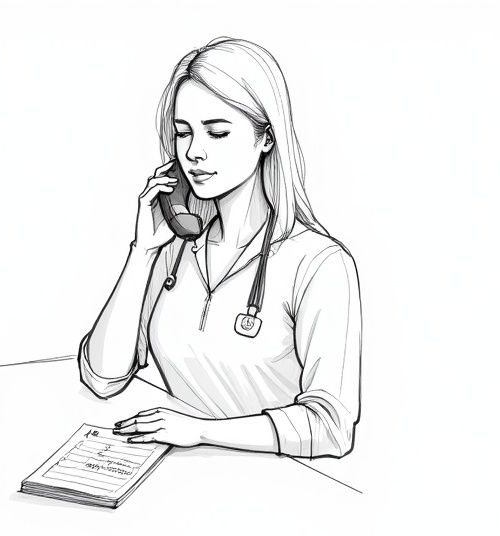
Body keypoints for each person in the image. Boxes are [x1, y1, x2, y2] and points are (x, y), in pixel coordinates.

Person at [78, 37, 362, 458]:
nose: (194, 152)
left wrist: (202, 431)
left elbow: (331, 428)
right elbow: (102, 378)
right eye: (183, 133)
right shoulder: (176, 246)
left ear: (266, 138)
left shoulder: (320, 264)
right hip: (182, 478)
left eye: (217, 132)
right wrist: (142, 251)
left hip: (280, 486)